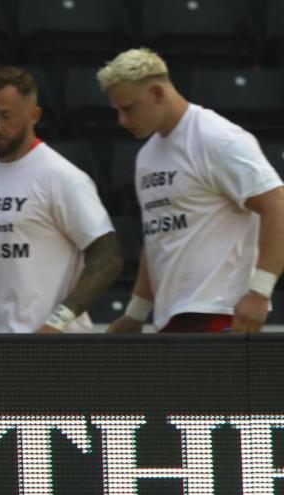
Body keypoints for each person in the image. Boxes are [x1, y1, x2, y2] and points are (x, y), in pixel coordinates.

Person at [98, 48, 284, 333]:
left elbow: (277, 205)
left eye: (129, 108)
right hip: (170, 316)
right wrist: (136, 314)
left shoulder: (217, 138)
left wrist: (260, 292)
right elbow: (157, 236)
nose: (122, 120)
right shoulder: (147, 156)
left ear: (158, 93)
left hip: (220, 311)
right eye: (117, 111)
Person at [0, 67, 122, 332]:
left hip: (51, 344)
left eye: (6, 116)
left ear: (34, 115)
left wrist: (57, 322)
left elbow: (108, 256)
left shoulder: (62, 177)